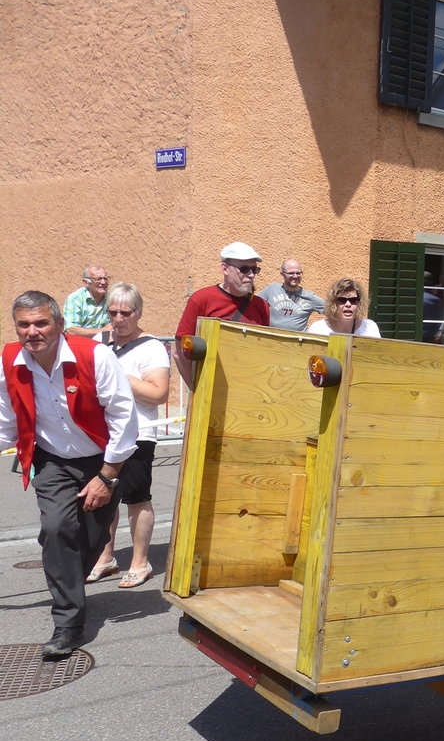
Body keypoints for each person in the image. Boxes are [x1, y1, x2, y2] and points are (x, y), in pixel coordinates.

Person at [0, 291, 137, 658]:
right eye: (24, 325)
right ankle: (68, 623)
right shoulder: (9, 360)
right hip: (52, 461)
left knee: (92, 538)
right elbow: (6, 421)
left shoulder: (95, 355)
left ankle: (68, 581)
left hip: (103, 459)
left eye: (41, 322)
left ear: (59, 325)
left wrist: (107, 477)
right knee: (58, 529)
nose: (33, 332)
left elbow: (124, 419)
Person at [87, 284, 170, 588]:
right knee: (102, 497)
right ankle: (105, 557)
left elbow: (158, 393)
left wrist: (118, 375)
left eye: (126, 312)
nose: (119, 319)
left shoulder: (151, 347)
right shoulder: (99, 342)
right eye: (113, 312)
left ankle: (140, 562)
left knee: (136, 499)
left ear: (139, 312)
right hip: (101, 435)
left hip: (138, 435)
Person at [174, 242, 271, 388]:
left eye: (254, 269)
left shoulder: (261, 306)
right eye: (244, 269)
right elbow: (179, 352)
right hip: (209, 389)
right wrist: (197, 388)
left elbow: (264, 352)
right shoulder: (202, 299)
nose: (251, 275)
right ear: (225, 269)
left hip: (249, 390)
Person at [259, 259, 323, 331]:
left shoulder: (310, 297)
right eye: (291, 273)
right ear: (282, 274)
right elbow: (253, 304)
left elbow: (333, 311)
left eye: (298, 273)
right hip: (272, 340)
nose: (295, 276)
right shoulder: (271, 289)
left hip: (298, 340)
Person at [307, 278, 381, 337]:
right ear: (333, 303)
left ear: (359, 303)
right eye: (342, 300)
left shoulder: (369, 327)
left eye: (353, 300)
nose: (348, 304)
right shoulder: (318, 329)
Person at [64, 264, 113, 338]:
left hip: (102, 345)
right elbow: (71, 330)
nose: (103, 282)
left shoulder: (111, 299)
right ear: (86, 282)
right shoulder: (75, 299)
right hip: (78, 345)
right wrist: (103, 330)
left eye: (105, 278)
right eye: (98, 279)